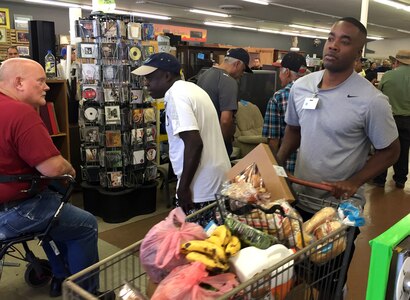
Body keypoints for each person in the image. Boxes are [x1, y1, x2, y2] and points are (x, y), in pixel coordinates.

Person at [276, 17, 399, 299]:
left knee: (329, 279)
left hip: (337, 211)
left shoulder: (371, 101)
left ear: (359, 52)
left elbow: (390, 151)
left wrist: (354, 181)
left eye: (345, 41)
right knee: (292, 269)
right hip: (297, 198)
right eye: (331, 38)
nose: (333, 45)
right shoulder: (302, 86)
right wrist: (277, 162)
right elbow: (293, 130)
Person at [0, 58, 100, 298]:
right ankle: (85, 293)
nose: (46, 87)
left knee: (54, 213)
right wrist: (70, 169)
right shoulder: (20, 113)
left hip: (8, 204)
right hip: (14, 210)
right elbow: (54, 169)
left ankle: (59, 274)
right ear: (19, 82)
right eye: (41, 81)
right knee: (84, 224)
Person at [132, 53, 230, 219]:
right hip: (216, 182)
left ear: (167, 75)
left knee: (197, 242)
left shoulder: (176, 96)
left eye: (150, 77)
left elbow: (194, 143)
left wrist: (183, 187)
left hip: (201, 188)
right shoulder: (192, 89)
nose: (146, 83)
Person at [197, 48, 253, 157]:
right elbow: (226, 120)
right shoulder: (229, 81)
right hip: (216, 145)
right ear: (237, 64)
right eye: (243, 70)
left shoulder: (204, 75)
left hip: (201, 139)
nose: (242, 74)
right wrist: (224, 144)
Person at [262, 52, 308, 174]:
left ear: (286, 72)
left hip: (287, 167)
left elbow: (274, 140)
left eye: (280, 71)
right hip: (312, 167)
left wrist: (273, 168)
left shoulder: (279, 97)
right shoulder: (316, 93)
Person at [372, 50, 410, 189]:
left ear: (397, 62)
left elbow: (379, 94)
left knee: (384, 149)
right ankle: (400, 179)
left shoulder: (388, 75)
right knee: (404, 150)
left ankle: (380, 179)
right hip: (408, 120)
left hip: (388, 118)